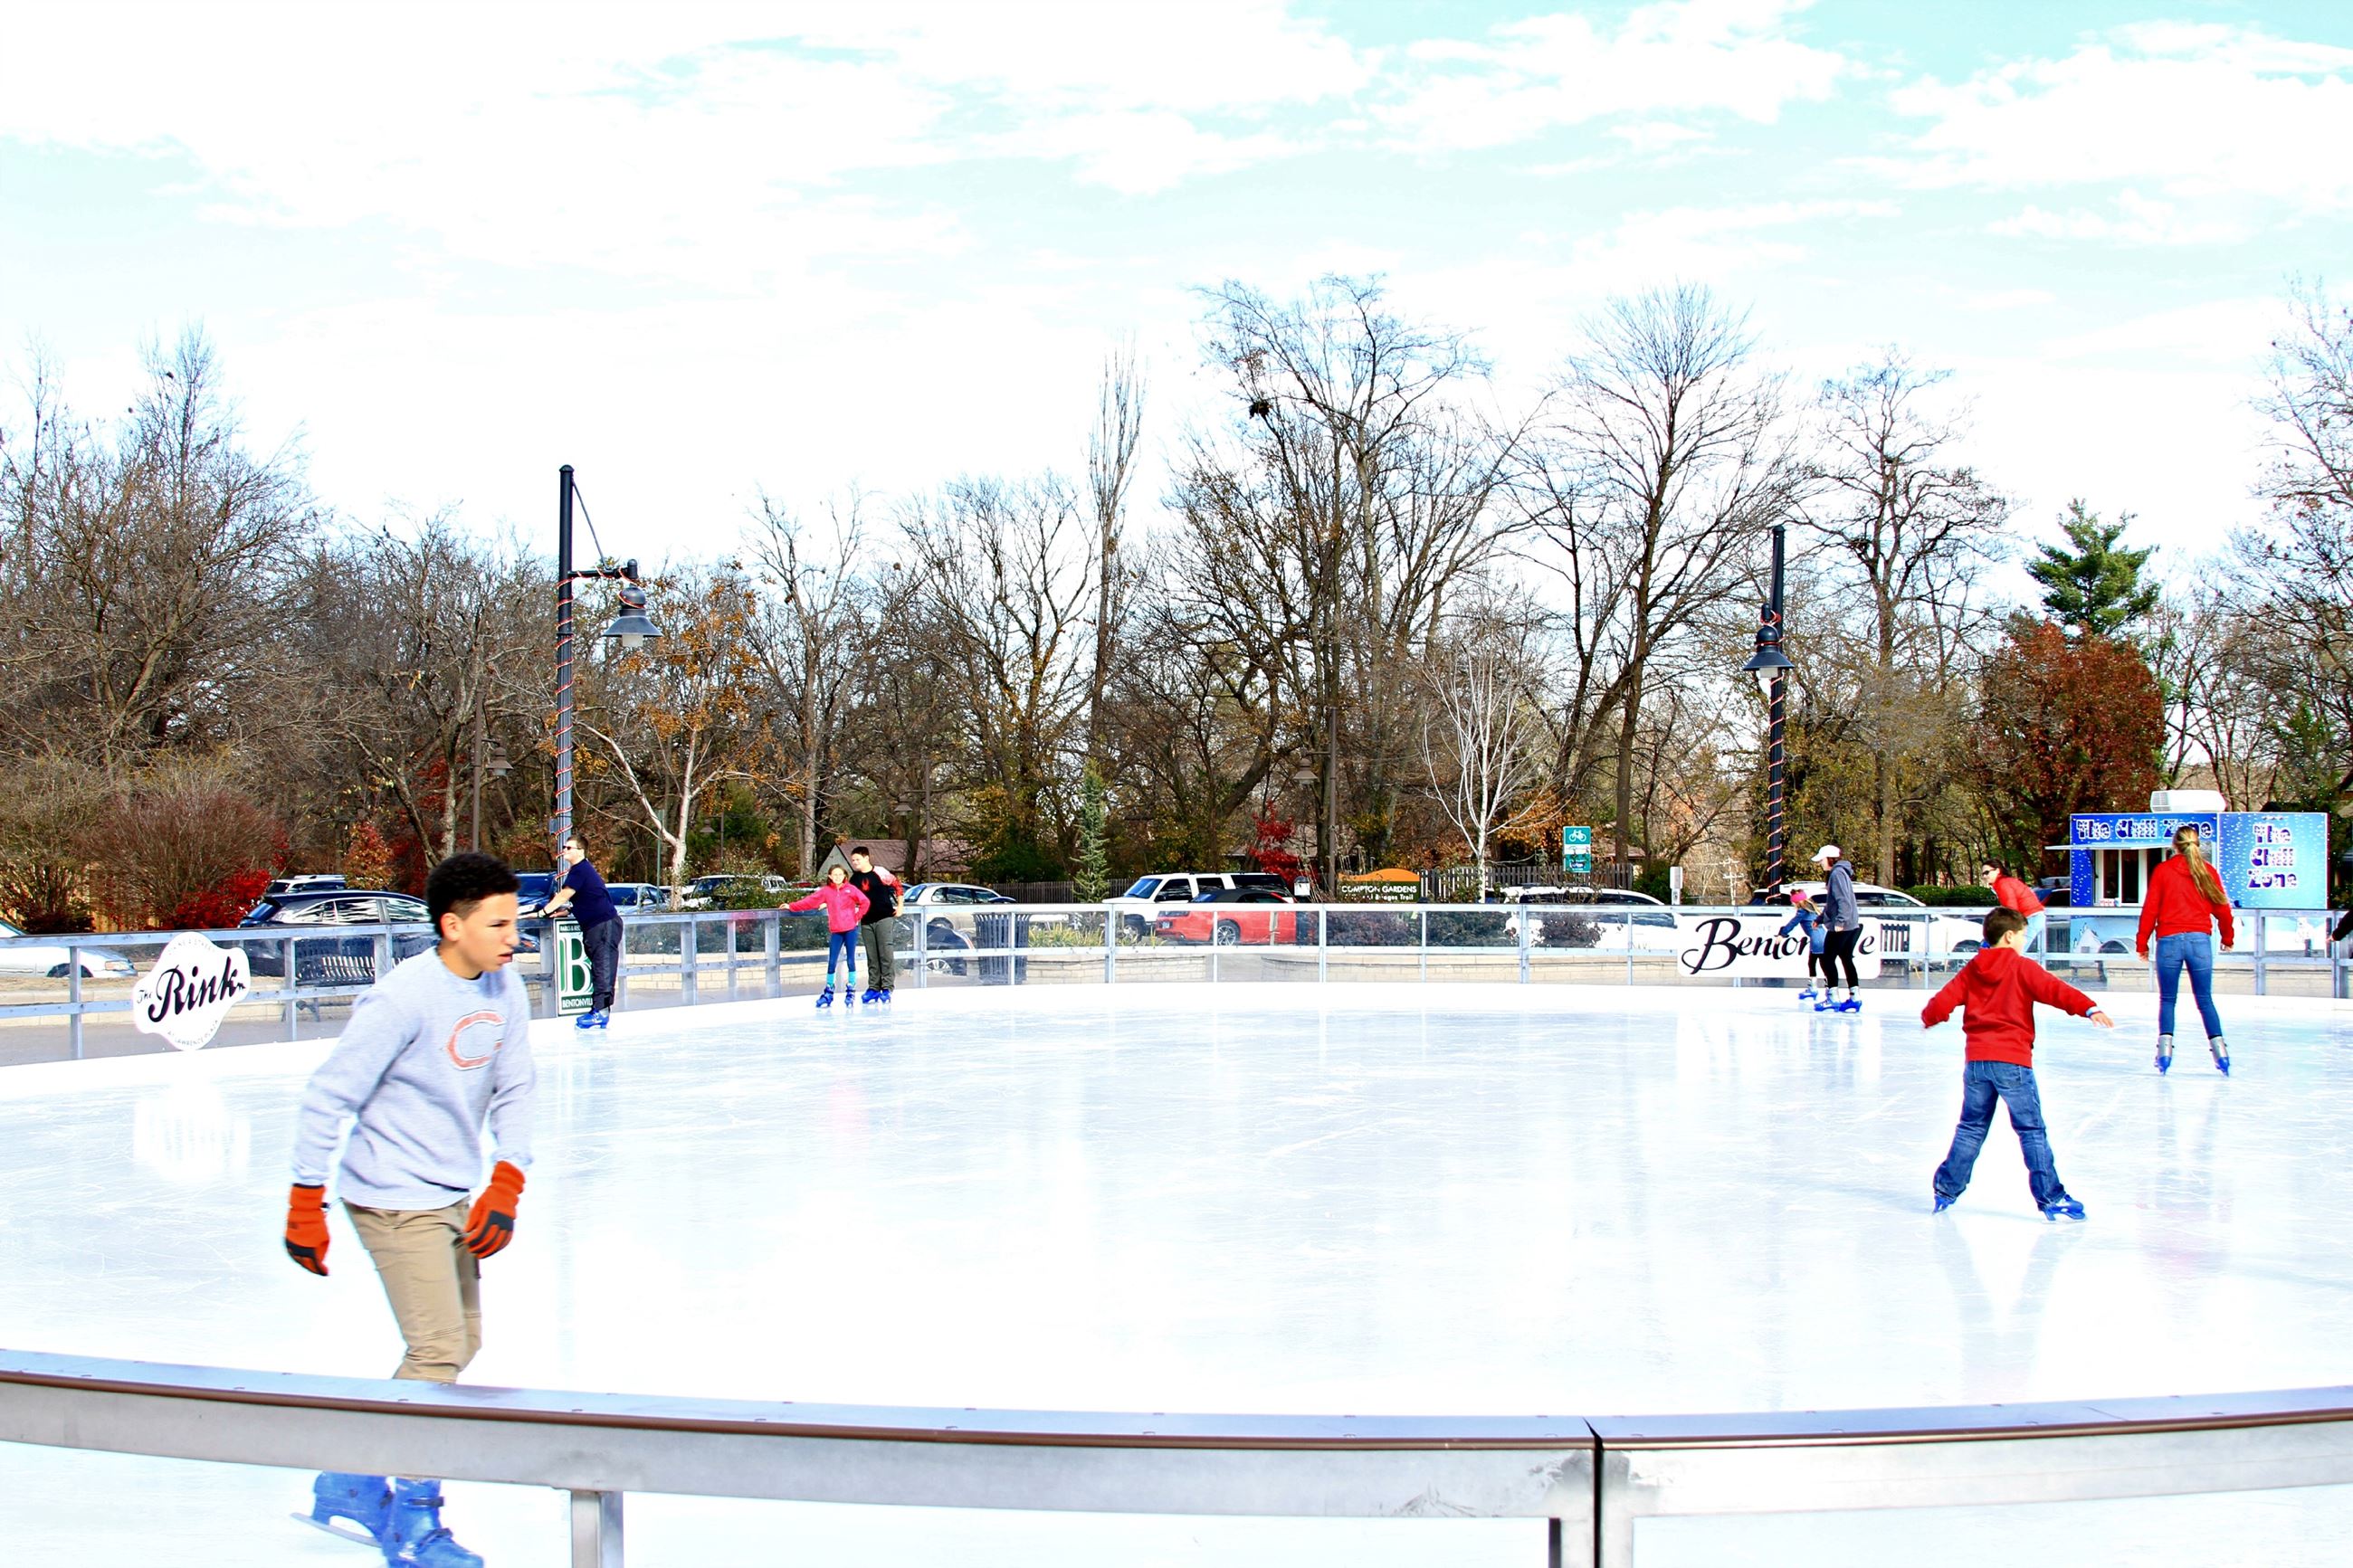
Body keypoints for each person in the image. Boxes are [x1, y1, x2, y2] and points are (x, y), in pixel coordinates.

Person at [285, 851, 534, 1567]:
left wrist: (507, 1180)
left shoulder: (504, 985)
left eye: (514, 921)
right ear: (452, 925)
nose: (513, 935)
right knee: (436, 1351)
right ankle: (414, 1521)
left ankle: (355, 1478)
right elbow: (329, 1095)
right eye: (499, 923)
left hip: (450, 1192)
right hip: (391, 1194)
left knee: (462, 1345)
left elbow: (516, 1088)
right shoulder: (402, 998)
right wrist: (307, 1200)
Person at [1924, 905, 2113, 1221]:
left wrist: (1930, 1017)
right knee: (2031, 1130)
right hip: (2012, 1062)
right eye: (2023, 935)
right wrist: (2089, 1008)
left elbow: (1943, 1001)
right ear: (2009, 936)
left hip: (1978, 1063)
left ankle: (1945, 1190)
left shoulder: (1973, 968)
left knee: (1971, 1128)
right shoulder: (2021, 967)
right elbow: (2056, 990)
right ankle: (2051, 1198)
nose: (2024, 941)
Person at [2136, 822, 2236, 1076]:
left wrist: (2142, 942)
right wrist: (2228, 936)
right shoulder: (2208, 872)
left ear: (2174, 845)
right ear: (2197, 844)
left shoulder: (2163, 871)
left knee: (2168, 1000)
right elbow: (2223, 909)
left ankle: (2164, 1054)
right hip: (2199, 942)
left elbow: (2150, 909)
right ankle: (2221, 1054)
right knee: (2204, 999)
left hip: (2169, 941)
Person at [542, 831, 621, 1030]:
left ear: (580, 851)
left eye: (569, 848)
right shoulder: (580, 871)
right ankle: (599, 1010)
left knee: (603, 967)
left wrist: (545, 911)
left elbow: (564, 895)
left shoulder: (580, 870)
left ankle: (601, 1013)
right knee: (598, 967)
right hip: (597, 925)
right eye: (564, 847)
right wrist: (566, 911)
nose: (564, 851)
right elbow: (585, 897)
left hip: (603, 925)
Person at [786, 864, 870, 1008]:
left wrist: (857, 917)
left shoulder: (851, 889)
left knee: (850, 960)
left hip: (850, 929)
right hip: (836, 931)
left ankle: (851, 989)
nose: (837, 877)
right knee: (832, 961)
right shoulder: (826, 891)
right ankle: (829, 991)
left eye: (840, 874)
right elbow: (810, 901)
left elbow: (865, 902)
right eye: (834, 875)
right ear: (830, 876)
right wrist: (792, 906)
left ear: (845, 876)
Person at [845, 846, 902, 1004]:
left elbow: (897, 886)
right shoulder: (855, 879)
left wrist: (900, 906)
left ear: (866, 858)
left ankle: (887, 987)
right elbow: (847, 896)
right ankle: (873, 988)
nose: (855, 862)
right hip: (866, 920)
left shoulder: (880, 872)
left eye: (857, 859)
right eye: (853, 860)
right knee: (872, 956)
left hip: (883, 917)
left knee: (885, 953)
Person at [1811, 844, 1862, 1012]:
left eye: (1822, 860)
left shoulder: (1837, 874)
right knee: (1846, 958)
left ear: (1829, 859)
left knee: (1826, 959)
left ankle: (1833, 997)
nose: (1821, 864)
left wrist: (1840, 921)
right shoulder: (1841, 873)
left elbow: (1843, 900)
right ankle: (1855, 996)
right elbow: (1833, 902)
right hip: (1852, 924)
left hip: (1843, 925)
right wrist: (1820, 918)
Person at [1982, 859, 2047, 955]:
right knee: (2015, 953)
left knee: (2015, 954)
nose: (1984, 876)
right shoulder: (2005, 882)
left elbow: (2011, 909)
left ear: (1998, 870)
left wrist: (2003, 927)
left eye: (1987, 872)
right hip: (2031, 918)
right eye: (1983, 874)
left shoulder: (2003, 884)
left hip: (2031, 918)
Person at [1777, 889, 1830, 1002]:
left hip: (1817, 939)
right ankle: (1818, 988)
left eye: (1793, 902)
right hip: (1822, 937)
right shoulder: (1812, 908)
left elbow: (1793, 922)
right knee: (1815, 963)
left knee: (1821, 964)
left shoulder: (1802, 911)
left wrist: (1782, 934)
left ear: (1797, 902)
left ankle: (1825, 989)